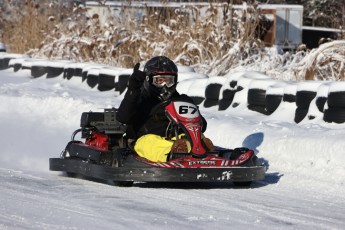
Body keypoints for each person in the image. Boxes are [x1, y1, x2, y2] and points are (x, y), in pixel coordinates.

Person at [116, 56, 214, 162]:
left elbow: (202, 125)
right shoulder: (141, 99)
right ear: (149, 80)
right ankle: (174, 153)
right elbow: (123, 117)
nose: (165, 86)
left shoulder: (182, 100)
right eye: (159, 81)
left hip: (177, 140)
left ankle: (204, 149)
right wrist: (133, 90)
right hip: (147, 140)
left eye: (169, 81)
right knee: (149, 142)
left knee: (193, 136)